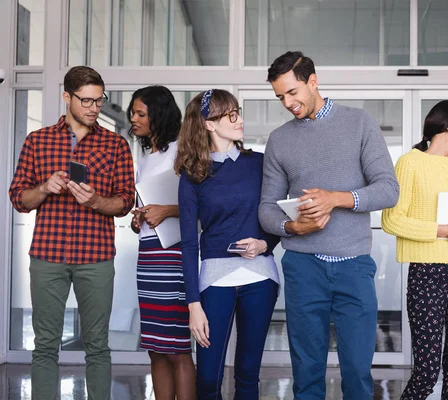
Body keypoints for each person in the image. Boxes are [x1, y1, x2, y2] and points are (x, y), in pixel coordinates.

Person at [258, 51, 399, 399]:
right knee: (306, 371)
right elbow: (266, 209)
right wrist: (293, 228)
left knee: (357, 370)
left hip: (353, 265)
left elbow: (388, 189)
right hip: (303, 267)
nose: (288, 103)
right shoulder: (279, 140)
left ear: (313, 81)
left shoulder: (359, 123)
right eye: (280, 97)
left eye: (292, 92)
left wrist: (335, 198)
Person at [8, 66, 135, 400]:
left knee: (97, 346)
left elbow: (124, 201)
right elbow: (19, 198)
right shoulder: (38, 141)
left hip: (95, 258)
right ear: (67, 97)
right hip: (48, 256)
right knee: (46, 345)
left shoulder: (115, 145)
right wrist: (45, 188)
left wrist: (95, 200)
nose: (94, 108)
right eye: (87, 101)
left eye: (99, 100)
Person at [176, 89, 280, 399]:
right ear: (209, 124)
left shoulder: (260, 164)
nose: (240, 120)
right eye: (231, 115)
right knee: (207, 380)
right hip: (215, 281)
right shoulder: (192, 175)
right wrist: (193, 304)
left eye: (238, 112)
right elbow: (189, 243)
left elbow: (276, 218)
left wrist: (264, 244)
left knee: (248, 376)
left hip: (260, 278)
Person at [381, 100, 448, 400]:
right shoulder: (410, 162)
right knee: (426, 371)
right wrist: (441, 231)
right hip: (428, 273)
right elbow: (392, 220)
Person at [127, 86, 195, 399]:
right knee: (155, 347)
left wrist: (165, 210)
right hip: (149, 255)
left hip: (174, 257)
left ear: (159, 115)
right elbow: (148, 206)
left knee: (177, 347)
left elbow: (203, 208)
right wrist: (138, 218)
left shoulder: (184, 152)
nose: (133, 118)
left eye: (141, 113)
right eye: (133, 112)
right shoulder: (146, 157)